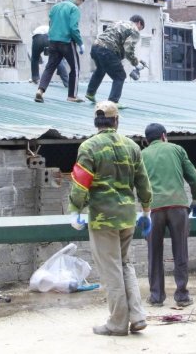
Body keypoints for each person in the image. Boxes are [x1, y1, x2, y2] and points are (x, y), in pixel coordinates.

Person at [67, 101, 153, 336]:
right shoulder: (132, 146)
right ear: (116, 121)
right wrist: (146, 211)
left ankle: (117, 323)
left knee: (111, 269)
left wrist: (75, 210)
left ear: (96, 122)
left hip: (103, 219)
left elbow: (81, 182)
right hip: (127, 217)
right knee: (125, 265)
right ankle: (137, 316)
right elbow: (143, 182)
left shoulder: (89, 147)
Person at [141, 123, 196, 307]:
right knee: (180, 251)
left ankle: (156, 297)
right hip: (178, 207)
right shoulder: (177, 149)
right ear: (164, 136)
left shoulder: (141, 155)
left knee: (154, 252)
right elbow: (193, 177)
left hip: (153, 209)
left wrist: (143, 208)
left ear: (146, 140)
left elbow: (137, 182)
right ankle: (182, 296)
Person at [36, 0, 85, 103]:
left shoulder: (55, 7)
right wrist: (80, 42)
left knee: (50, 67)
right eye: (81, 2)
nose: (80, 5)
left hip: (53, 41)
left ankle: (40, 90)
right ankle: (72, 96)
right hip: (67, 42)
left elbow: (51, 23)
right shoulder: (74, 8)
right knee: (75, 69)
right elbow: (73, 28)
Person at [85, 15, 145, 105]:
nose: (139, 30)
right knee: (120, 76)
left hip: (95, 47)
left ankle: (90, 93)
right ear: (139, 23)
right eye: (141, 28)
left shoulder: (117, 22)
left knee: (100, 70)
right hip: (107, 50)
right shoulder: (134, 29)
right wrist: (136, 63)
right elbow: (128, 48)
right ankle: (113, 102)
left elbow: (117, 42)